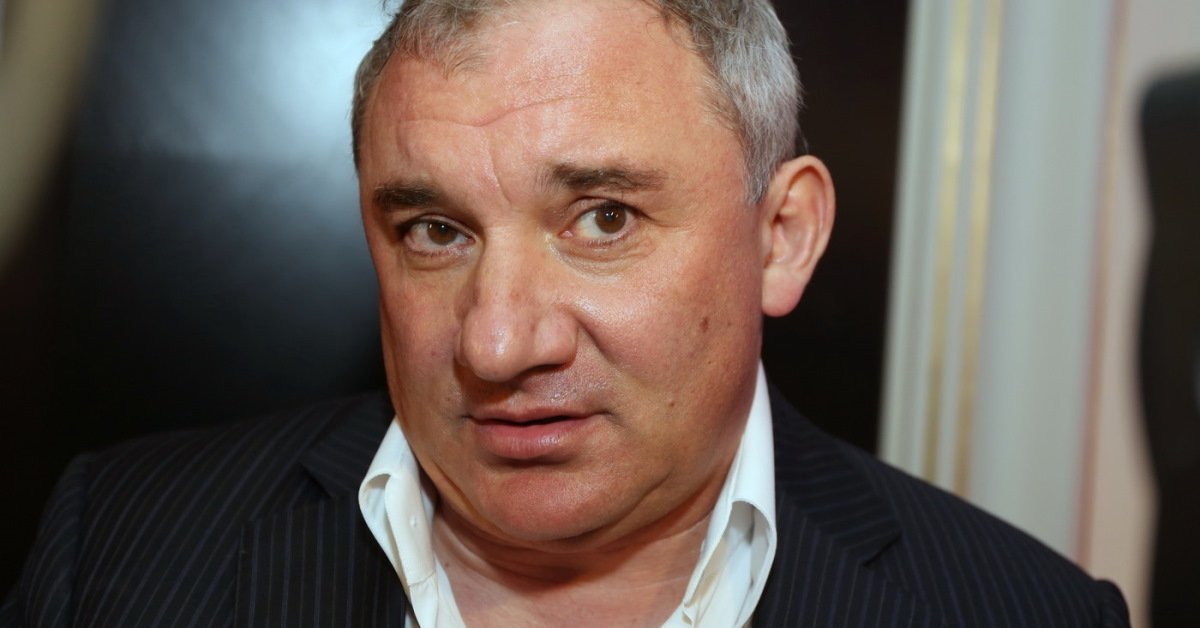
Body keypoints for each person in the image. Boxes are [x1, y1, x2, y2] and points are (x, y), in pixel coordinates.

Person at [2, 1, 1130, 626]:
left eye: (601, 218)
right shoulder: (121, 557)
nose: (497, 341)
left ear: (782, 235)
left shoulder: (1020, 613)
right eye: (435, 230)